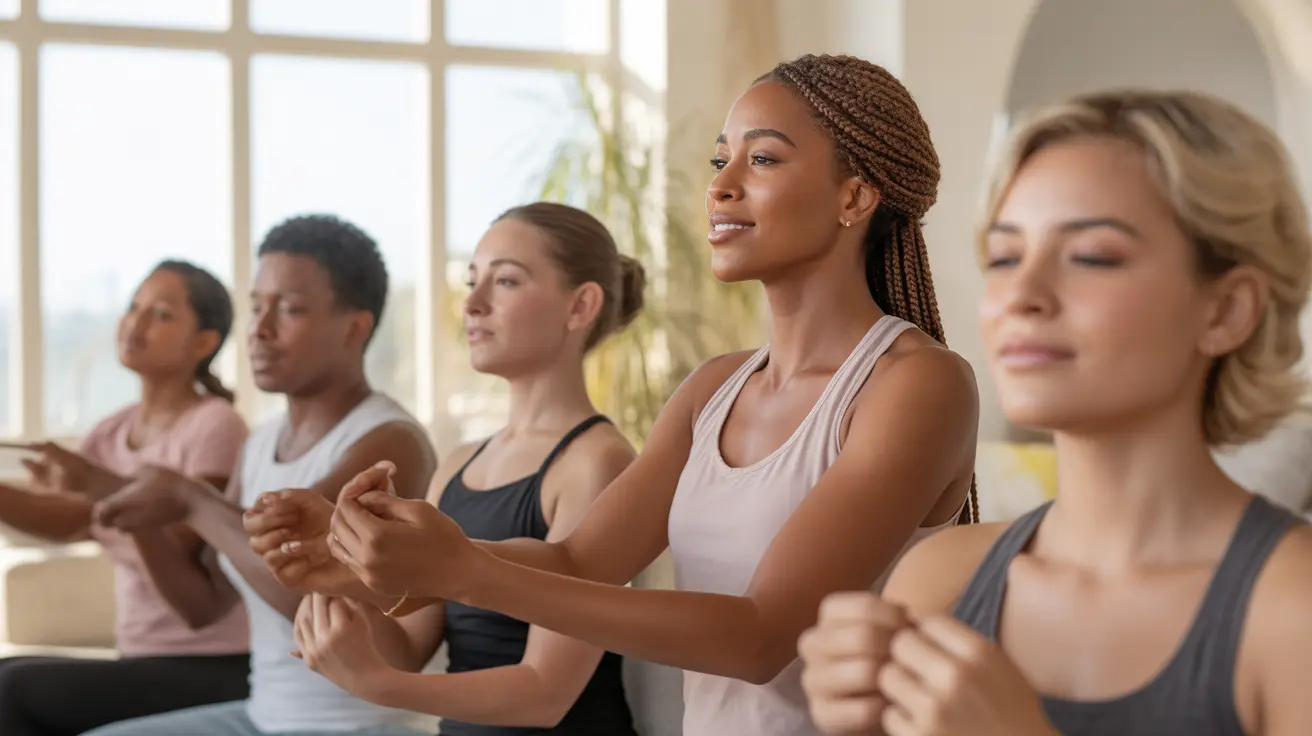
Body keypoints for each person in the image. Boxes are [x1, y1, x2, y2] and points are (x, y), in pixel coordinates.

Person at [267, 54, 979, 736]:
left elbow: (761, 636)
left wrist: (466, 569)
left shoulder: (917, 384)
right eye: (719, 160)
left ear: (854, 196)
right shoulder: (713, 390)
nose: (722, 185)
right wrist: (366, 557)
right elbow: (579, 562)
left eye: (761, 159)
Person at [796, 89, 1312, 736]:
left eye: (1092, 256)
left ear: (1227, 310)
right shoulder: (936, 582)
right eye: (1006, 257)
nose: (1022, 295)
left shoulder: (1294, 609)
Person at [247, 202, 646, 735]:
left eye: (505, 281)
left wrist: (378, 686)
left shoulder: (597, 462)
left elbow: (546, 694)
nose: (473, 303)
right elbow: (408, 645)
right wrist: (337, 574)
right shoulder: (459, 464)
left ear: (581, 306)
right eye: (471, 280)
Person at [80, 215, 441, 736]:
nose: (260, 329)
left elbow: (305, 582)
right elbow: (202, 605)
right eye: (255, 307)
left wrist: (191, 499)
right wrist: (144, 517)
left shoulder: (389, 442)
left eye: (289, 310)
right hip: (259, 717)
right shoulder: (259, 445)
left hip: (349, 728)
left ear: (354, 328)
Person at [0, 260, 250, 735]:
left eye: (160, 314)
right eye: (134, 307)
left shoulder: (216, 424)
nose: (135, 323)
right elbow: (68, 519)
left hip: (216, 666)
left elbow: (183, 541)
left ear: (204, 342)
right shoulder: (111, 431)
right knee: (6, 674)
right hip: (141, 658)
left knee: (10, 690)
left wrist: (92, 479)